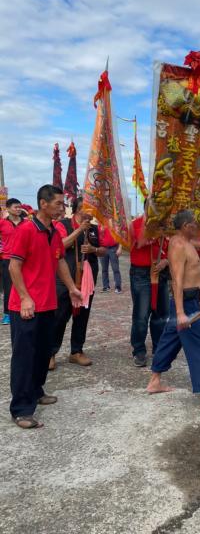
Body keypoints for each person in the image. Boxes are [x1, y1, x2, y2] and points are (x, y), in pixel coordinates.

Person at [8, 184, 82, 429]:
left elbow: (59, 261)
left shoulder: (54, 232)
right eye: (59, 203)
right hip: (26, 306)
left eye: (63, 203)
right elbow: (14, 266)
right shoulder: (26, 230)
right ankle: (21, 409)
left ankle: (37, 391)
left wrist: (71, 287)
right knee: (24, 356)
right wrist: (25, 297)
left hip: (48, 303)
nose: (63, 207)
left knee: (43, 352)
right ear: (43, 204)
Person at [146, 210, 200, 410]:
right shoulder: (178, 245)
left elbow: (195, 246)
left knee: (170, 340)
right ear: (185, 226)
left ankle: (154, 381)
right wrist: (180, 312)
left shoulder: (186, 242)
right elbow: (177, 280)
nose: (197, 226)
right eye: (194, 223)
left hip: (189, 300)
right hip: (186, 303)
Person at [49, 197, 106, 370]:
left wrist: (94, 249)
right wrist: (79, 230)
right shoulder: (63, 224)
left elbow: (104, 250)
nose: (90, 213)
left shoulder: (94, 229)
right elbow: (60, 245)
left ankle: (76, 351)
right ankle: (50, 353)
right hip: (65, 280)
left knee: (82, 317)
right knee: (59, 317)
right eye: (88, 209)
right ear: (78, 209)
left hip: (87, 281)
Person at [129, 203, 169, 367]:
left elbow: (172, 248)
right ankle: (139, 350)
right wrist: (155, 230)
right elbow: (139, 243)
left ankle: (158, 348)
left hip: (161, 273)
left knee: (161, 315)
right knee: (141, 315)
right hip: (141, 274)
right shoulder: (135, 224)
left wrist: (166, 261)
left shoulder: (166, 225)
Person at [0, 198, 24, 325]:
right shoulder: (2, 223)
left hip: (24, 259)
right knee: (9, 287)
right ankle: (7, 314)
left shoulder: (27, 223)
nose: (18, 209)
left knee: (24, 284)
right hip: (8, 259)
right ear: (8, 209)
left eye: (20, 207)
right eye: (16, 207)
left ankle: (23, 307)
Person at [98, 223, 122, 292]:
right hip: (103, 249)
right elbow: (98, 238)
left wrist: (120, 248)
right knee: (104, 269)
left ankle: (118, 287)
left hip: (113, 248)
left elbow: (120, 235)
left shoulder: (113, 223)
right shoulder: (99, 225)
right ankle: (106, 287)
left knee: (115, 269)